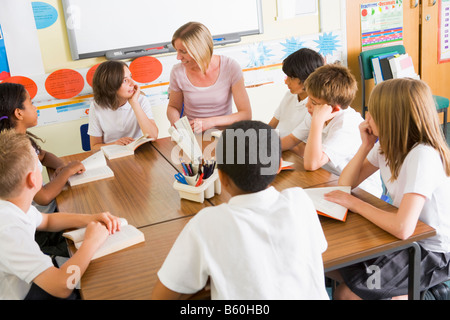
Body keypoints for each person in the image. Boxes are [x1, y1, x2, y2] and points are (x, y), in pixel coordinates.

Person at [152, 120, 329, 300]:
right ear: (278, 166)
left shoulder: (207, 223)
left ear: (220, 176)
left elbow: (161, 297)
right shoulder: (299, 201)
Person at [324, 78, 450, 300]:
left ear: (392, 118)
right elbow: (346, 184)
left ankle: (399, 293)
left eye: (372, 112)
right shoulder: (385, 146)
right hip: (406, 239)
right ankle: (395, 292)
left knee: (347, 294)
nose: (367, 117)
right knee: (328, 265)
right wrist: (365, 146)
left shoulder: (422, 155)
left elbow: (403, 228)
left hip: (432, 252)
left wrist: (355, 203)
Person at [0, 129, 121, 299]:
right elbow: (62, 287)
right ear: (32, 179)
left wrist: (90, 218)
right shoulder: (8, 230)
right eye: (38, 165)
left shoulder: (12, 205)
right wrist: (91, 242)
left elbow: (47, 220)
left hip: (27, 281)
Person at [280, 63, 382, 197]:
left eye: (314, 103)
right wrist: (254, 147)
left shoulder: (346, 125)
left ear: (334, 109)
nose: (308, 105)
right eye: (309, 99)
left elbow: (311, 164)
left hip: (361, 191)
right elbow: (291, 140)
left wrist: (317, 120)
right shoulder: (317, 113)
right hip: (331, 179)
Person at [0, 83, 84, 213]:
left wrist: (60, 166)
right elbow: (43, 197)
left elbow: (43, 156)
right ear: (19, 113)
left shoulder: (20, 141)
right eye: (31, 103)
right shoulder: (14, 153)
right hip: (41, 223)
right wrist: (67, 171)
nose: (35, 107)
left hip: (51, 210)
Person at [166, 21, 252, 133]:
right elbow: (173, 107)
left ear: (200, 50)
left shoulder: (230, 67)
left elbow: (245, 114)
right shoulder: (177, 72)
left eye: (183, 52)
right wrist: (177, 124)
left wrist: (210, 122)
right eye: (177, 51)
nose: (178, 57)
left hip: (223, 135)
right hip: (192, 136)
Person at [88, 60, 158, 151]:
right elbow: (94, 147)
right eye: (125, 80)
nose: (133, 83)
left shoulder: (141, 100)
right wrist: (115, 144)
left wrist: (134, 103)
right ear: (110, 86)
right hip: (112, 153)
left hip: (139, 151)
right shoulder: (96, 106)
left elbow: (153, 136)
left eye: (131, 77)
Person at [268, 48, 324, 138]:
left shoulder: (315, 106)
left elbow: (300, 144)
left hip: (289, 148)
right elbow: (272, 124)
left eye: (292, 78)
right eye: (287, 76)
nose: (286, 82)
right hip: (277, 144)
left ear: (308, 78)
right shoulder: (289, 95)